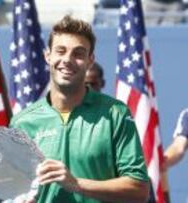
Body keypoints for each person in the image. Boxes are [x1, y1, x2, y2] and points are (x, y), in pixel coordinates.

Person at [10, 15, 149, 203]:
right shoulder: (22, 123)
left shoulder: (115, 113)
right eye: (61, 51)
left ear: (90, 61)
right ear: (48, 56)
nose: (67, 60)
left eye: (78, 54)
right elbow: (12, 190)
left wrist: (76, 183)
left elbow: (139, 189)